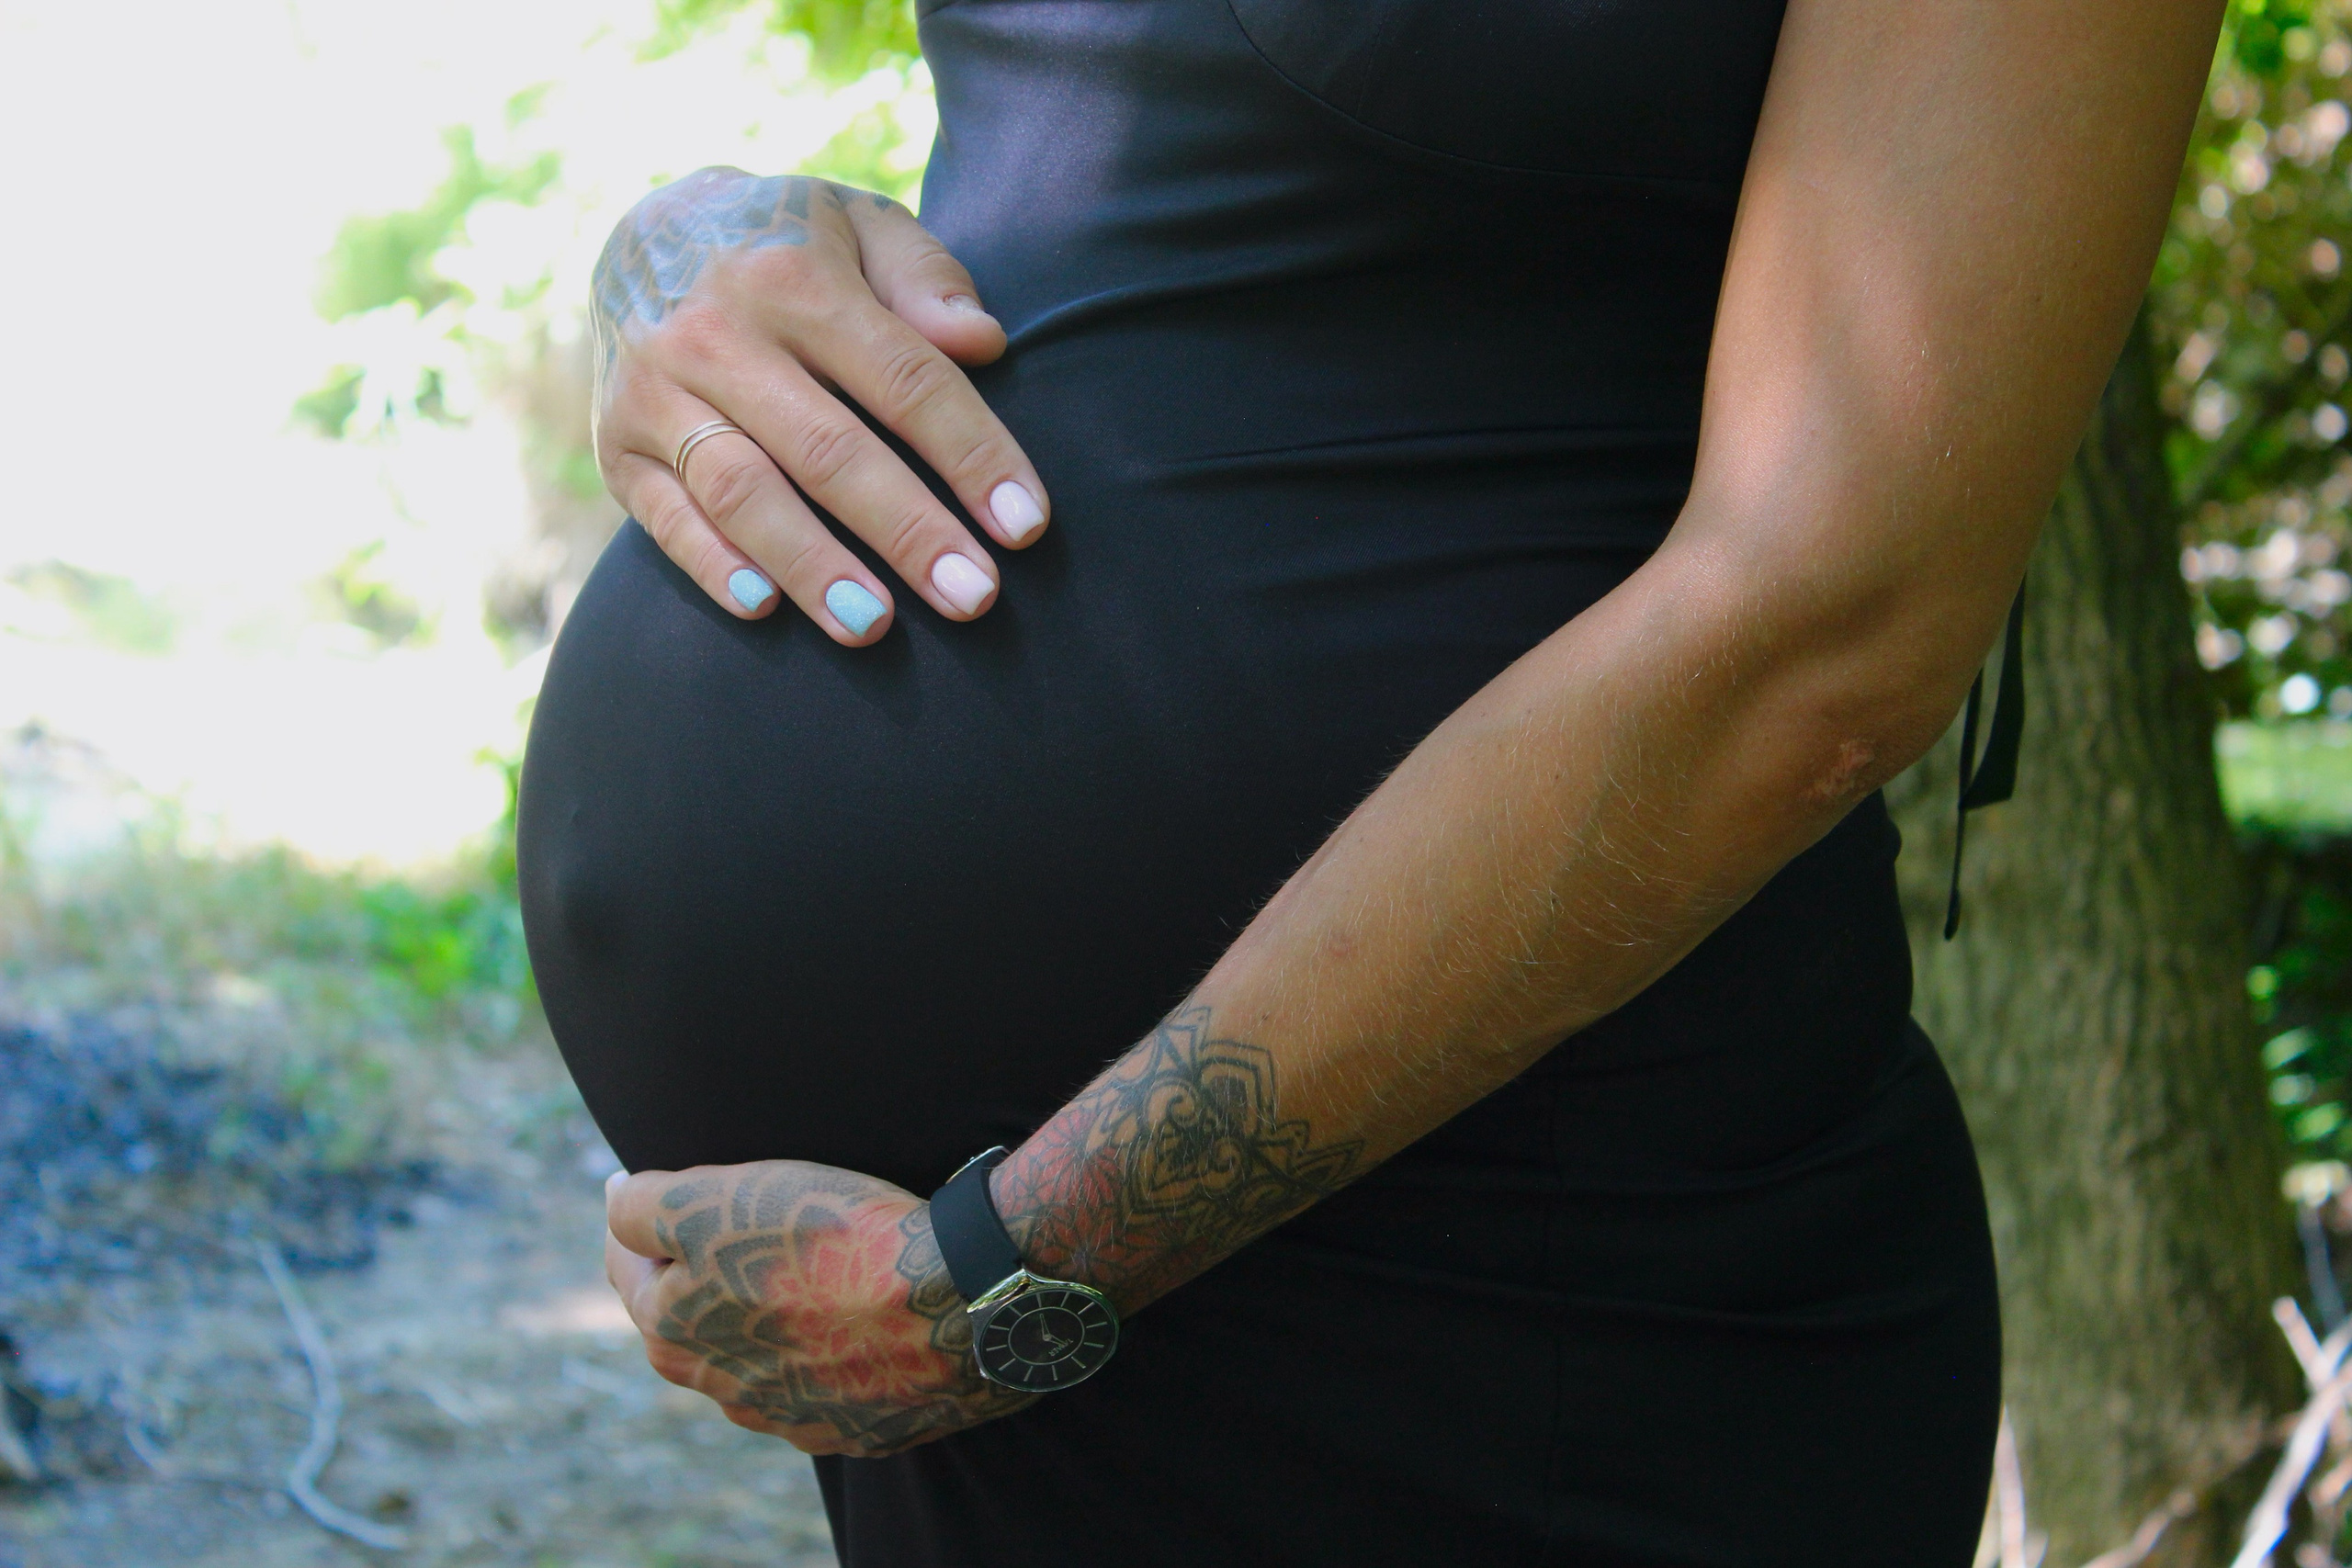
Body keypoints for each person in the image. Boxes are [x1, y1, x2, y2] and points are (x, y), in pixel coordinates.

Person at [514, 0, 2223, 1562]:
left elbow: (1832, 627)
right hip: (1014, 1342)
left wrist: (1008, 1273)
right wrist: (689, 248)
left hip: (1517, 1292)